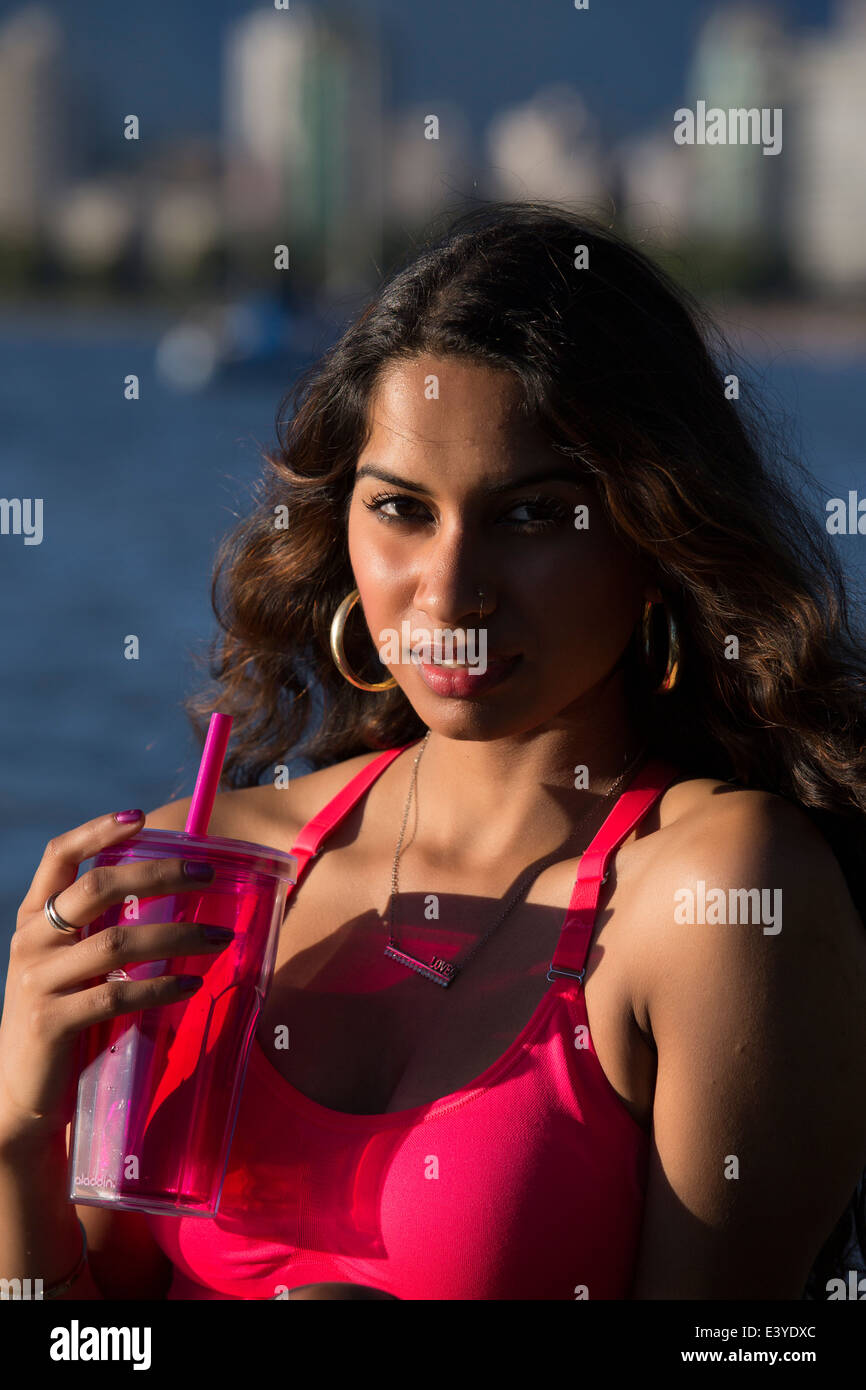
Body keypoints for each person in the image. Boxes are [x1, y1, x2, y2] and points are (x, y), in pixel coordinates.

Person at [3, 201, 866, 1302]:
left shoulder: (716, 893)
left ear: (656, 532)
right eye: (402, 509)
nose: (449, 591)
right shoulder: (212, 863)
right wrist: (22, 1134)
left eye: (533, 516)